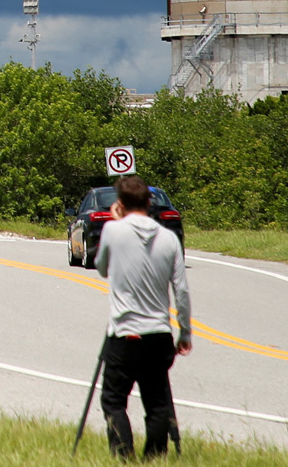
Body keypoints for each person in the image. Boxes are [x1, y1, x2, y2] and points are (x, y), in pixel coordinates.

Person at [94, 174, 192, 459]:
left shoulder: (113, 231)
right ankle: (155, 458)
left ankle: (124, 457)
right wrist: (184, 332)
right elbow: (182, 291)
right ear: (150, 202)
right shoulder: (170, 238)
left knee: (113, 400)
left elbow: (102, 268)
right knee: (157, 403)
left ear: (120, 203)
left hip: (124, 332)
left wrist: (114, 221)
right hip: (159, 333)